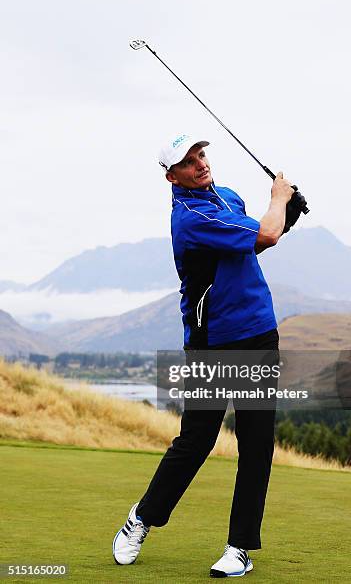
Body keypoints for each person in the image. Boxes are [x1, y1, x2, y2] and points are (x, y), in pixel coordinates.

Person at [113, 133, 294, 577]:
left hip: (256, 336)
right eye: (189, 162)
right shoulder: (189, 219)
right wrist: (279, 199)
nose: (200, 164)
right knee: (196, 441)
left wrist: (289, 211)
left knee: (256, 445)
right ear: (171, 176)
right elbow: (266, 233)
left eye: (201, 155)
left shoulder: (228, 199)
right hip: (212, 343)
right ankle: (142, 518)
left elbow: (256, 240)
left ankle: (239, 549)